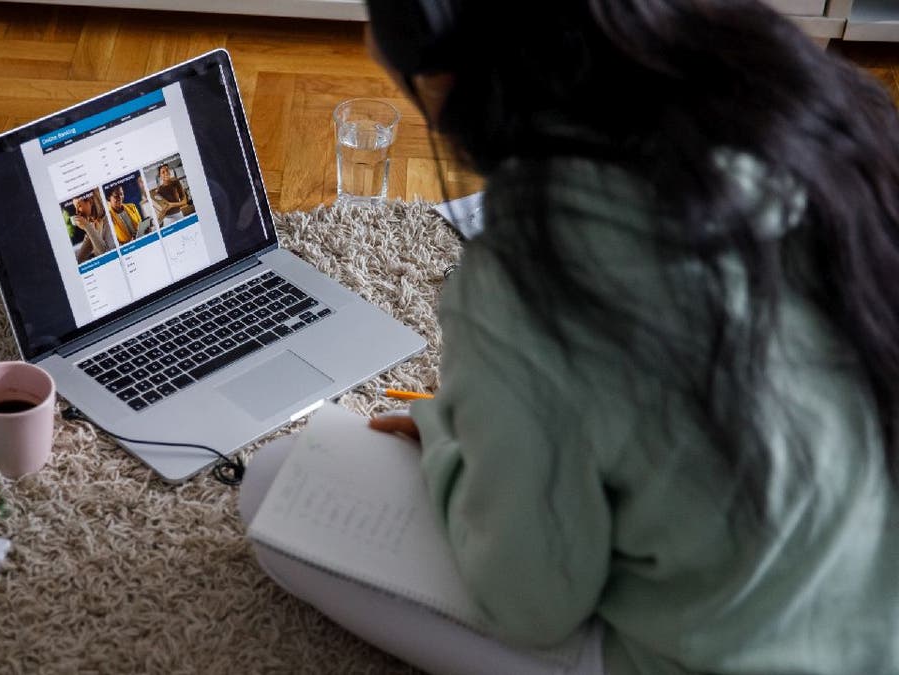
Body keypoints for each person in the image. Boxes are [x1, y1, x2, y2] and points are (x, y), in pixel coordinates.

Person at [239, 1, 899, 674]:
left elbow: (531, 601)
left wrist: (445, 438)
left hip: (712, 655)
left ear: (443, 71)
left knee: (273, 482)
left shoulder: (534, 275)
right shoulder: (810, 100)